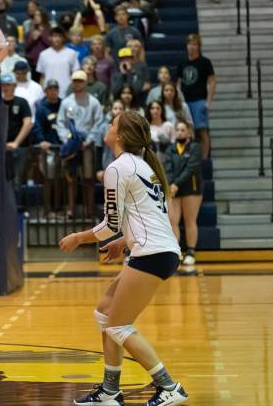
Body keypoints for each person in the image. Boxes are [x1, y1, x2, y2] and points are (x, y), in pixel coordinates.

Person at [60, 111, 189, 406]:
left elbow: (110, 224)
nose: (107, 125)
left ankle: (169, 386)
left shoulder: (118, 168)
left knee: (119, 326)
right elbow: (145, 216)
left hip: (152, 253)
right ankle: (109, 391)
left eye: (112, 123)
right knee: (105, 314)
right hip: (159, 249)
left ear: (120, 136)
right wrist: (121, 242)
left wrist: (79, 238)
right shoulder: (144, 166)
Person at [57, 70, 104, 220]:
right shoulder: (66, 102)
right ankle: (71, 210)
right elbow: (60, 123)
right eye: (75, 81)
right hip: (72, 145)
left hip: (87, 146)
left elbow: (98, 123)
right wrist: (67, 139)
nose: (77, 83)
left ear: (85, 83)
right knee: (71, 178)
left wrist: (89, 140)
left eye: (80, 81)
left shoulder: (94, 102)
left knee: (88, 178)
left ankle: (89, 210)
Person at [165, 120, 204, 267]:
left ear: (188, 132)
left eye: (183, 130)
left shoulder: (195, 147)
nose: (180, 132)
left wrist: (176, 184)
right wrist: (170, 184)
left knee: (190, 221)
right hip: (174, 189)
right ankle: (176, 253)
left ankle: (191, 252)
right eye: (178, 130)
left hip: (191, 189)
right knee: (172, 221)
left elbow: (190, 168)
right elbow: (167, 168)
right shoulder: (171, 149)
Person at [177, 34, 215, 159]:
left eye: (194, 44)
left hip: (199, 100)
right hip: (186, 101)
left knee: (202, 130)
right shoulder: (182, 62)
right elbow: (178, 83)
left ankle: (204, 159)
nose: (191, 47)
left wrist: (209, 101)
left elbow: (211, 81)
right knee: (188, 130)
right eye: (189, 44)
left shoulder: (205, 62)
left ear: (198, 46)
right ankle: (190, 157)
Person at [32, 79, 63, 215]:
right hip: (48, 149)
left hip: (62, 148)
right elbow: (37, 127)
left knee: (61, 180)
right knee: (48, 180)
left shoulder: (63, 104)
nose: (53, 91)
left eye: (55, 88)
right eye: (50, 89)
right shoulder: (41, 107)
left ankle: (59, 208)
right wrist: (41, 141)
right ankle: (48, 210)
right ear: (46, 91)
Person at [1, 74, 33, 186]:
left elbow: (28, 123)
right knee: (3, 180)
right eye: (3, 85)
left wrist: (16, 143)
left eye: (8, 85)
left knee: (18, 180)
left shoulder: (22, 102)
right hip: (1, 148)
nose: (6, 87)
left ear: (14, 86)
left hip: (19, 147)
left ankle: (17, 204)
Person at [36, 27, 80, 98]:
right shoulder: (43, 54)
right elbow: (42, 77)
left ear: (63, 38)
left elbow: (75, 74)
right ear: (50, 38)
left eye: (59, 36)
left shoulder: (72, 53)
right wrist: (43, 90)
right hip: (48, 94)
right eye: (54, 36)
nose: (57, 39)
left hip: (67, 93)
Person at [97, 99, 126, 183]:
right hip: (107, 163)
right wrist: (98, 169)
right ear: (111, 110)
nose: (118, 111)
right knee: (110, 192)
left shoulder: (128, 128)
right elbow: (99, 148)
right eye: (115, 108)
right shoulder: (103, 127)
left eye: (121, 109)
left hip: (124, 166)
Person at [23, 9, 52, 74]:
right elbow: (26, 47)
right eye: (35, 15)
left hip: (46, 63)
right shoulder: (30, 32)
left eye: (38, 15)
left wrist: (41, 35)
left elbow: (51, 46)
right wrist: (33, 40)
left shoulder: (49, 31)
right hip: (32, 64)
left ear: (43, 17)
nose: (35, 17)